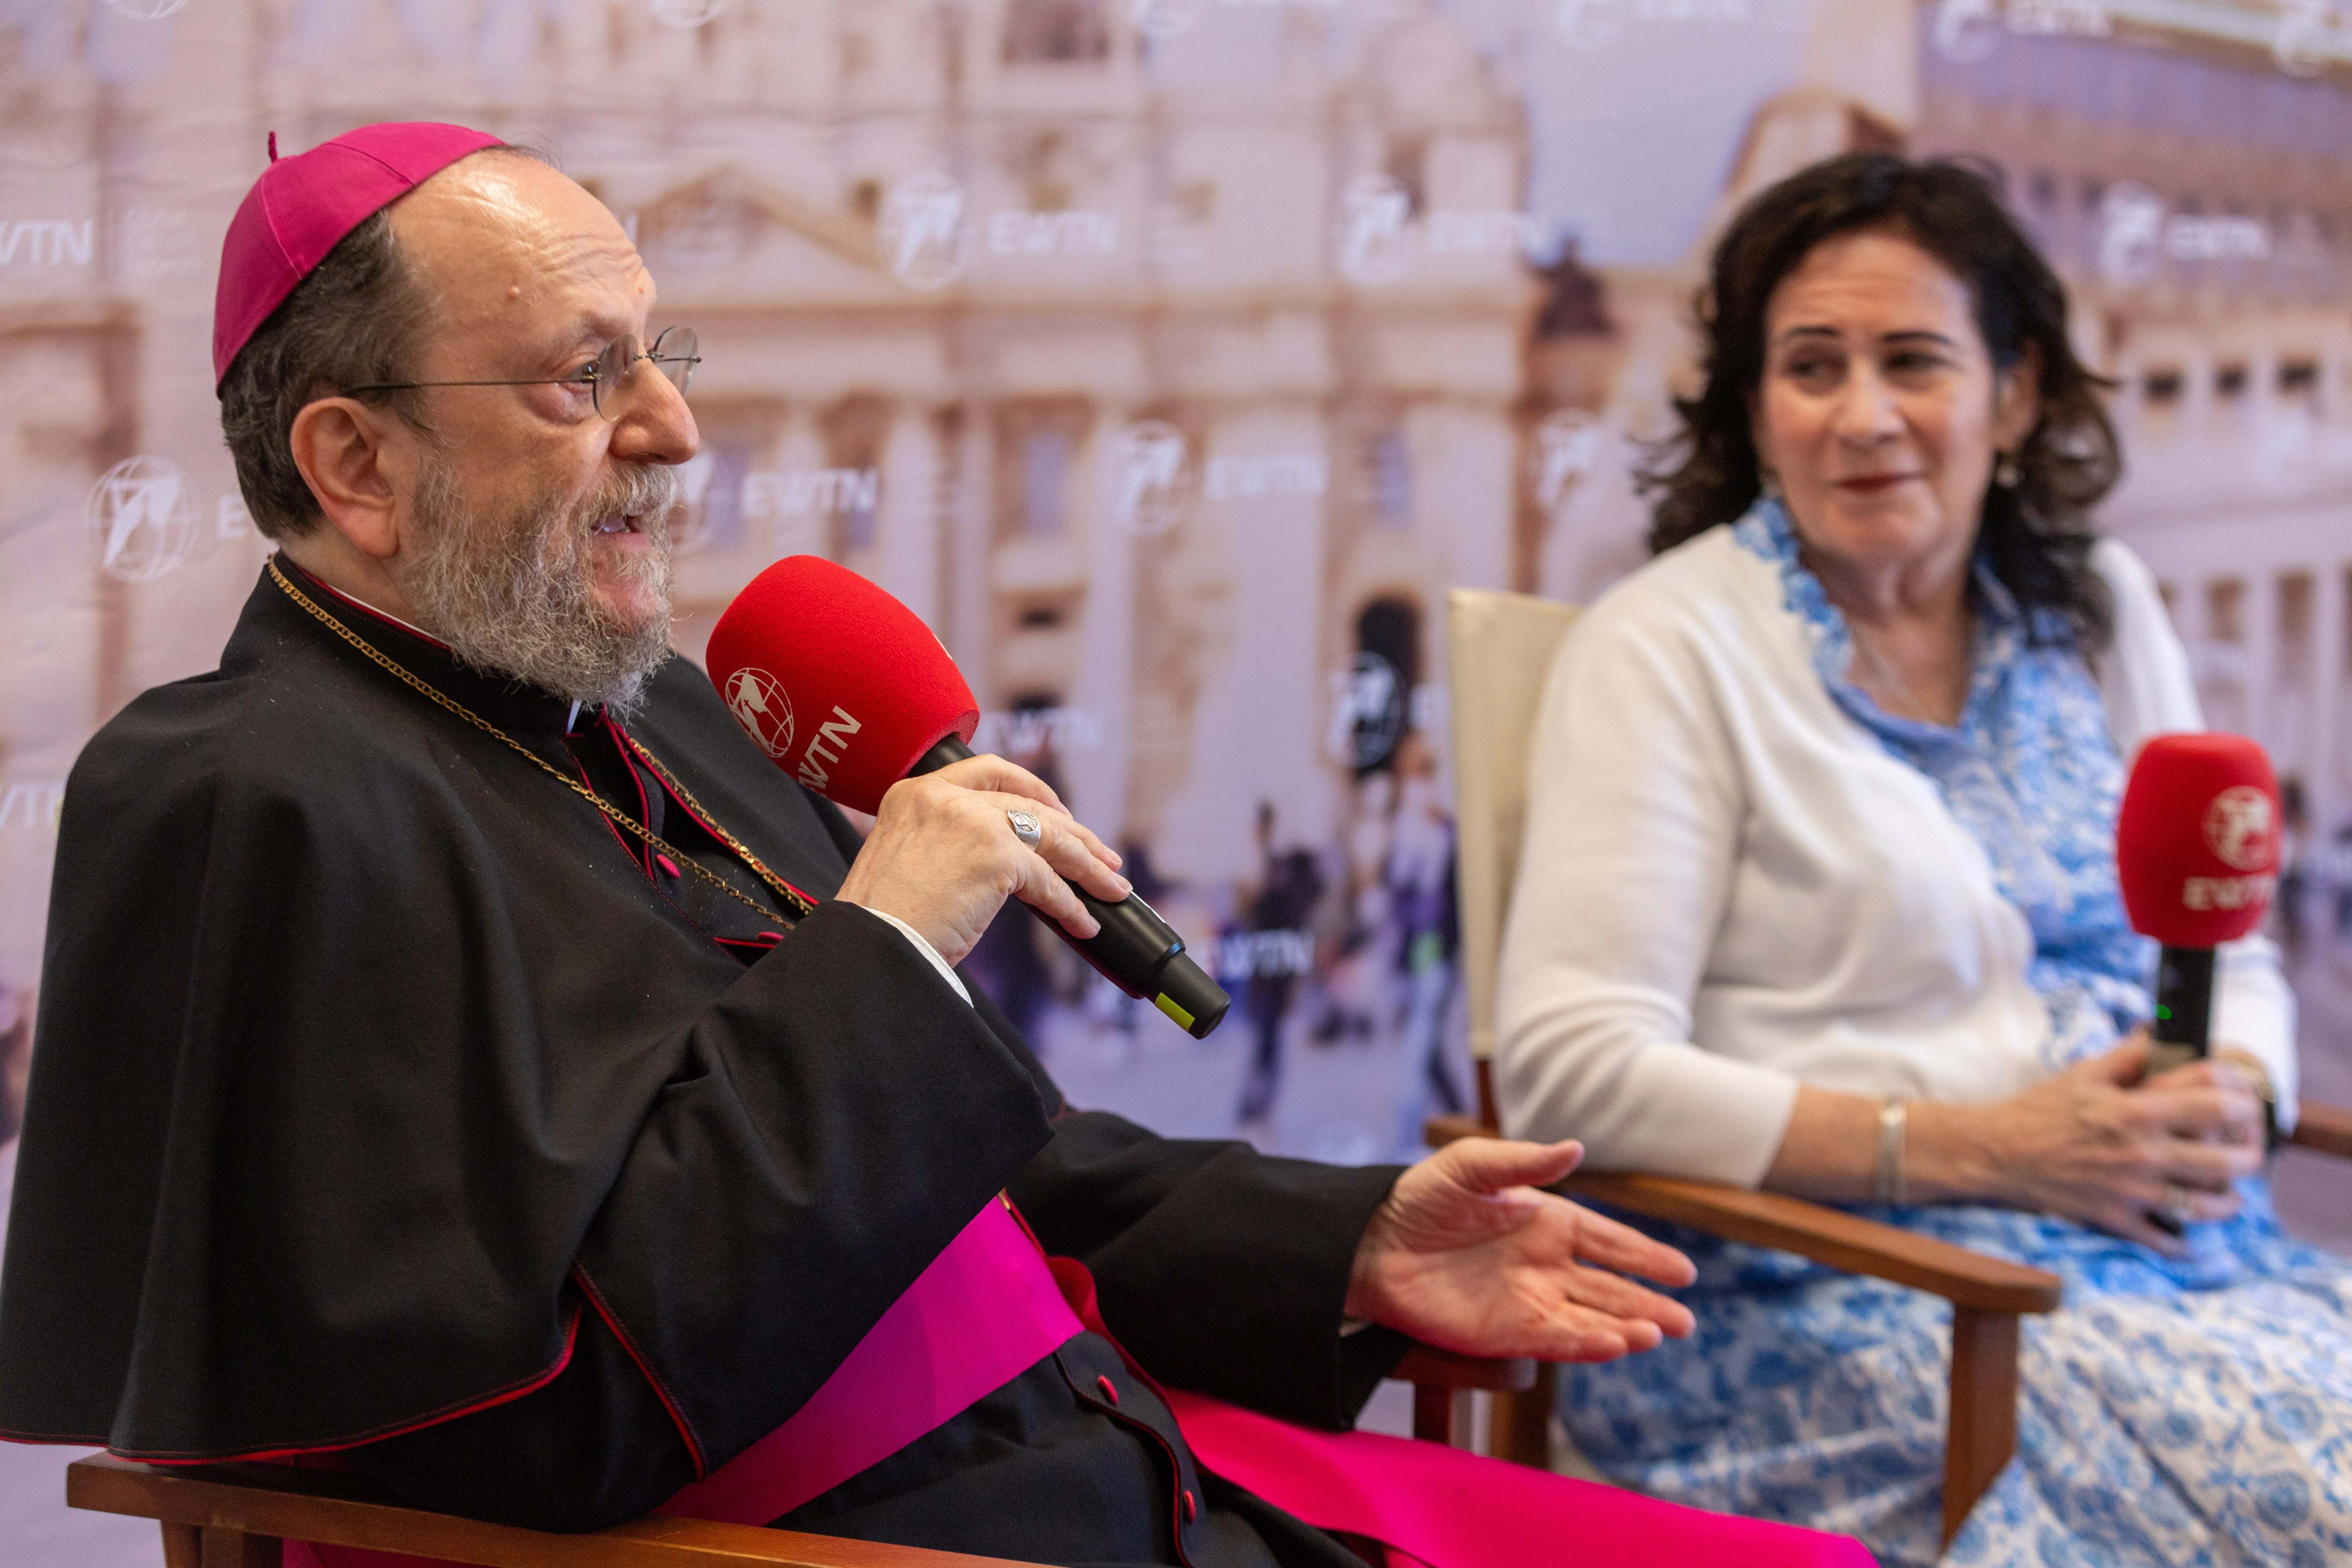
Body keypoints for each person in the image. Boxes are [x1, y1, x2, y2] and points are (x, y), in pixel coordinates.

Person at [0, 123, 1875, 1568]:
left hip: (1078, 1462)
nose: (676, 429)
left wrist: (1346, 1243)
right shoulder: (248, 794)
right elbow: (542, 1423)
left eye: (667, 353)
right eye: (584, 381)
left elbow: (997, 1185)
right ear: (355, 464)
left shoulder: (650, 712)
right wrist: (883, 949)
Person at [1496, 152, 2352, 1568]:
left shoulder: (2100, 604)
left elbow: (2228, 945)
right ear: (1756, 411)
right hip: (1823, 1291)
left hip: (2176, 1261)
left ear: (2015, 395)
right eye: (1813, 368)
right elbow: (1569, 1072)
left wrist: (2238, 1093)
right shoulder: (1665, 647)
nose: (1866, 416)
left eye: (1916, 361)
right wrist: (1982, 1151)